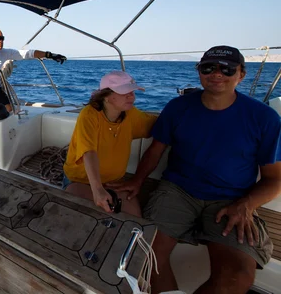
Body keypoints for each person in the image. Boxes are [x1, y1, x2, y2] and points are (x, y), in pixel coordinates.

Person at [110, 45, 281, 294]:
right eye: (208, 67)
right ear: (199, 72)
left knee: (237, 276)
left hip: (232, 198)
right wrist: (137, 180)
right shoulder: (178, 107)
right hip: (178, 191)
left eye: (227, 69)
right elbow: (155, 151)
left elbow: (274, 179)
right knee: (144, 257)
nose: (217, 73)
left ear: (241, 74)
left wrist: (246, 205)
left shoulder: (264, 118)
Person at [63, 71, 157, 217]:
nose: (131, 96)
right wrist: (97, 189)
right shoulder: (89, 115)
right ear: (106, 96)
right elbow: (89, 153)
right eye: (125, 92)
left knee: (133, 217)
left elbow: (157, 125)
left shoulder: (131, 114)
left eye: (132, 91)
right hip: (82, 181)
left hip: (114, 182)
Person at [0, 27, 66, 127]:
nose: (1, 41)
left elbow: (28, 53)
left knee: (9, 112)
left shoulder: (4, 52)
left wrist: (49, 55)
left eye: (2, 38)